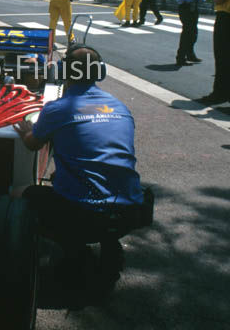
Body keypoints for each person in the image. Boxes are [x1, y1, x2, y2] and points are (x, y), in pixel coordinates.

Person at [17, 45, 145, 287]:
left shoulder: (57, 109)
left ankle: (72, 249)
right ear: (100, 72)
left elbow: (32, 145)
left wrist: (26, 131)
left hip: (85, 215)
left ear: (64, 70)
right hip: (131, 210)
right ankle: (108, 245)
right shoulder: (120, 107)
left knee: (19, 194)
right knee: (70, 180)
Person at [175, 0, 206, 67]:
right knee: (190, 33)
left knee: (188, 31)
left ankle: (189, 54)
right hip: (190, 8)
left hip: (182, 7)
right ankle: (181, 57)